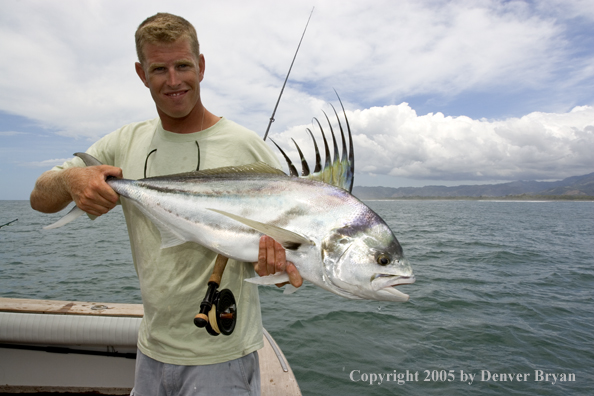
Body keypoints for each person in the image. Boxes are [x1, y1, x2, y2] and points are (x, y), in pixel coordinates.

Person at [30, 12, 302, 396]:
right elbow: (39, 198)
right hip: (151, 349)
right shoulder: (122, 143)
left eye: (183, 66)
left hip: (220, 356)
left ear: (201, 66)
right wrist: (70, 179)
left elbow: (285, 261)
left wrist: (275, 268)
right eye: (159, 69)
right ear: (142, 74)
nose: (173, 81)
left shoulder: (247, 147)